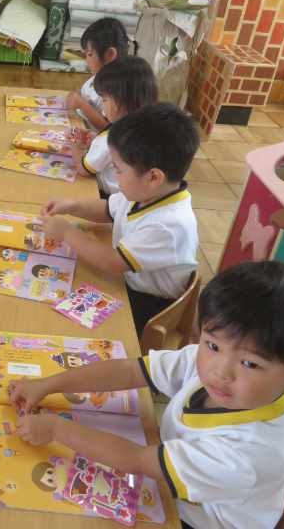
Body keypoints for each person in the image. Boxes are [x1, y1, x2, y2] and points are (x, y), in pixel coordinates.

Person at [10, 261, 284, 529]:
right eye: (212, 344)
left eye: (251, 363)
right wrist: (48, 384)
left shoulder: (245, 455)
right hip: (177, 478)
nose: (220, 371)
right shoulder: (220, 367)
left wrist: (56, 429)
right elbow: (133, 370)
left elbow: (136, 460)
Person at [42, 103, 199, 333]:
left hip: (148, 305)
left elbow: (112, 262)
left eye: (118, 169)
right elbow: (108, 209)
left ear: (153, 177)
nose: (115, 176)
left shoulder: (169, 225)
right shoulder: (146, 192)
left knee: (56, 316)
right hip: (130, 280)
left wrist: (66, 233)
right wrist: (72, 206)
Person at [75, 55, 158, 197]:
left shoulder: (112, 138)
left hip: (110, 198)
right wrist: (95, 139)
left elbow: (83, 170)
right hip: (137, 196)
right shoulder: (148, 126)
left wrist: (76, 147)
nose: (102, 108)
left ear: (120, 101)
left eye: (104, 100)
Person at [67, 17, 129, 132]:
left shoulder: (115, 87)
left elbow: (109, 130)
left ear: (110, 55)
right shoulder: (98, 76)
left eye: (90, 55)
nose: (87, 60)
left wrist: (82, 104)